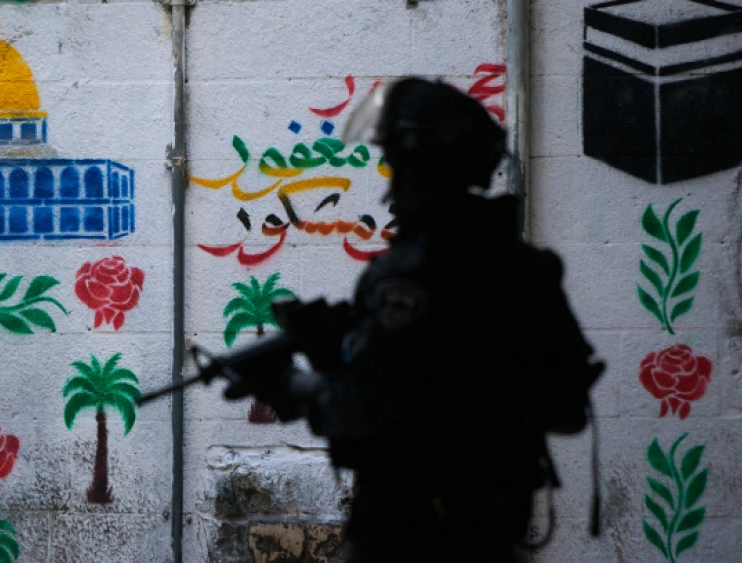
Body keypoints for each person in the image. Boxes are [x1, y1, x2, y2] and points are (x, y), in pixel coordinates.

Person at [221, 77, 604, 562]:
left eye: (395, 164)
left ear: (419, 166)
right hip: (491, 534)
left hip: (409, 536)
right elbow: (562, 406)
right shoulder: (523, 266)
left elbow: (364, 407)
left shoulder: (410, 275)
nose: (391, 181)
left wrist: (296, 388)